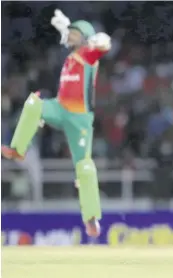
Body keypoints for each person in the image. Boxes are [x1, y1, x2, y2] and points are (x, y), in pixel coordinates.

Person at [1, 10, 112, 238]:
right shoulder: (72, 54)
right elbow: (72, 38)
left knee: (85, 167)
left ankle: (91, 218)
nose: (68, 37)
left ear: (85, 38)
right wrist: (68, 29)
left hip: (79, 118)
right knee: (34, 102)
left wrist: (97, 40)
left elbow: (103, 45)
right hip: (59, 108)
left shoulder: (89, 54)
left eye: (73, 34)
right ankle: (18, 150)